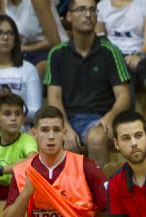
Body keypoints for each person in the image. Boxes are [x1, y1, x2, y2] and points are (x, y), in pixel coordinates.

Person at [44, 0, 131, 168]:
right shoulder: (57, 54)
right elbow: (54, 98)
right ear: (69, 16)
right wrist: (65, 127)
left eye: (92, 10)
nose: (88, 14)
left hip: (99, 119)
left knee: (96, 138)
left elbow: (124, 96)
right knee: (37, 137)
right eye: (81, 9)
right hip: (66, 117)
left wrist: (110, 117)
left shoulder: (110, 51)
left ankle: (100, 192)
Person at [0, 14, 42, 135]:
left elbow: (36, 113)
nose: (5, 37)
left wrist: (10, 109)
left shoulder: (28, 69)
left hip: (19, 130)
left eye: (10, 33)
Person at [95, 0, 146, 101]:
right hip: (113, 55)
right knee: (122, 69)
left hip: (139, 53)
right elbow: (100, 39)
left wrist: (138, 55)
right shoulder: (101, 6)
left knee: (126, 73)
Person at [0, 93, 37, 199]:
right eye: (7, 114)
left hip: (19, 189)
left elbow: (33, 160)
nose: (13, 118)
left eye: (18, 114)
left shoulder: (27, 140)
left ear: (23, 119)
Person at [3, 0, 68, 70]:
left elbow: (55, 41)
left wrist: (24, 48)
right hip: (24, 53)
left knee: (38, 70)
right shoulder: (3, 2)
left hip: (52, 50)